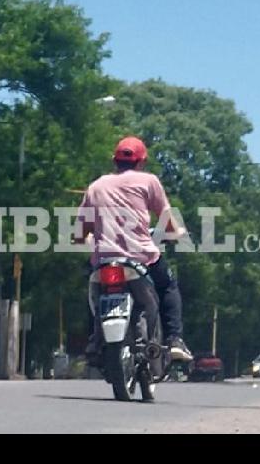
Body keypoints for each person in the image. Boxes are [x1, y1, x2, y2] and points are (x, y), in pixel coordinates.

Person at [76, 136, 193, 363]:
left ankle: (94, 337)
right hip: (141, 258)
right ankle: (175, 340)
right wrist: (178, 234)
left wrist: (89, 238)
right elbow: (168, 220)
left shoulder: (96, 186)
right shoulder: (148, 181)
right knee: (168, 286)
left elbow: (80, 232)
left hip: (104, 260)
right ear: (142, 162)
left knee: (92, 289)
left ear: (114, 161)